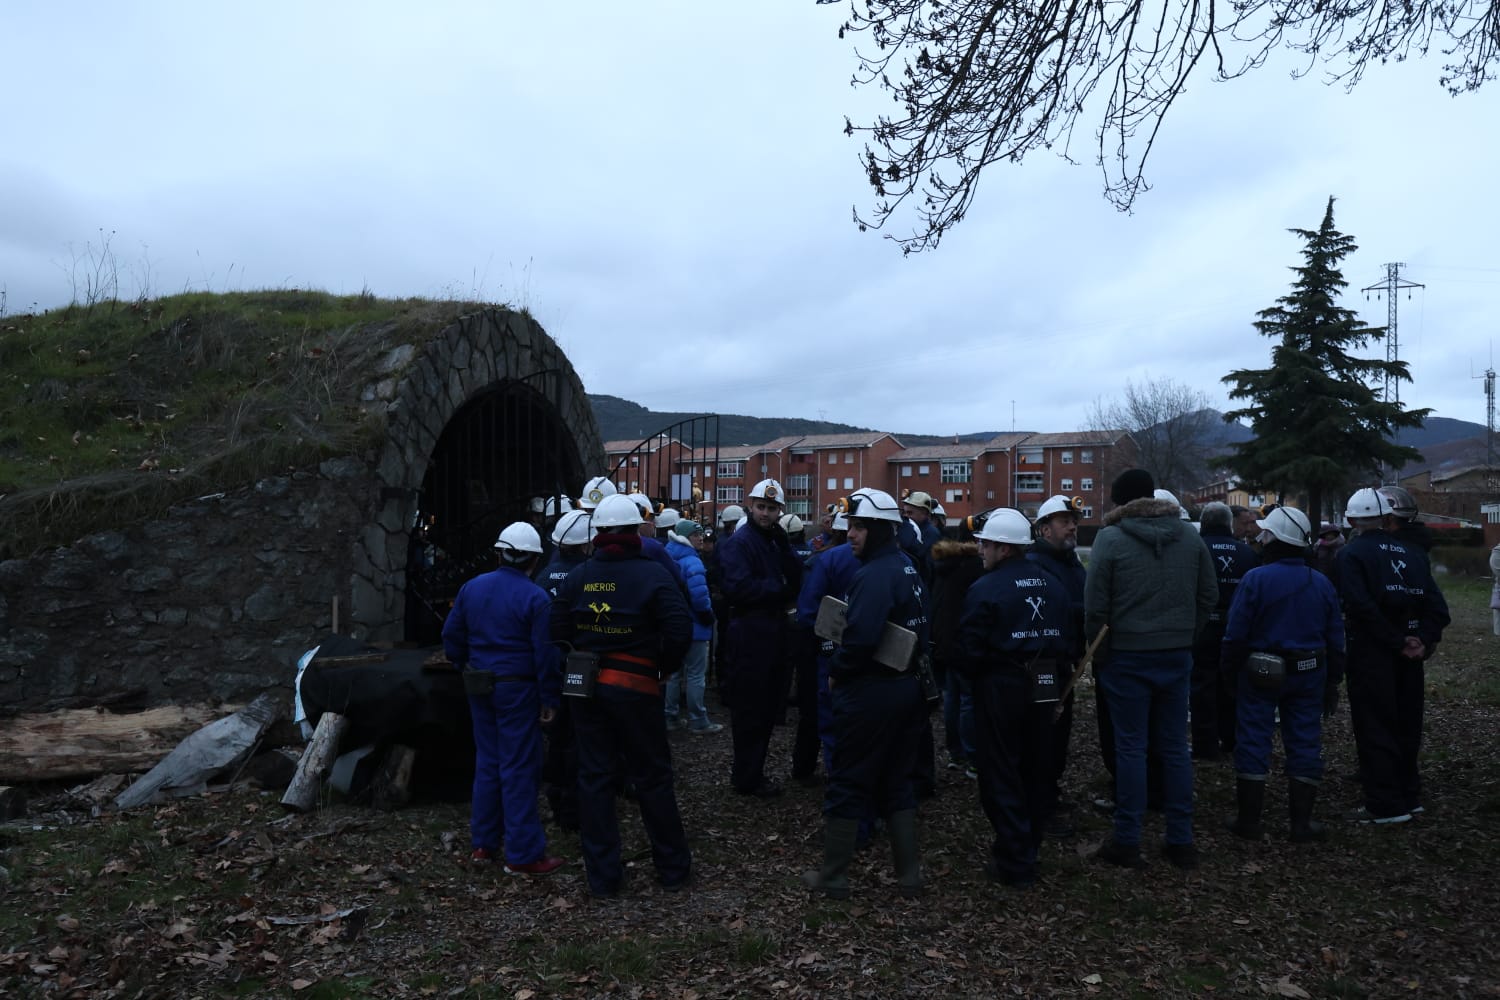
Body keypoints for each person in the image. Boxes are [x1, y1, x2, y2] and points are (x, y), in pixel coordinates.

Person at [549, 493, 694, 897]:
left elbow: (556, 628)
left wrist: (577, 657)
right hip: (637, 687)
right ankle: (672, 868)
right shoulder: (653, 575)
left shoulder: (579, 576)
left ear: (597, 534)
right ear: (636, 530)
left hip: (587, 691)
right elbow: (680, 627)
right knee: (652, 777)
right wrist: (663, 667)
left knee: (594, 778)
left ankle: (604, 879)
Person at [1084, 468, 1217, 869]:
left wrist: (1100, 654)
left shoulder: (1109, 539)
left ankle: (1128, 839)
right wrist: (1185, 634)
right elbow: (1208, 594)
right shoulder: (1190, 537)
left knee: (1131, 748)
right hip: (1175, 652)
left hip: (1127, 655)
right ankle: (1180, 839)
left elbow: (1095, 607)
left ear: (1120, 502)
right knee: (1175, 747)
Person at [803, 488, 929, 899]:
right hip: (905, 689)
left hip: (871, 692)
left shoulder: (873, 575)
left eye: (858, 527)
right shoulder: (907, 565)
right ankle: (909, 875)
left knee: (848, 779)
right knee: (896, 781)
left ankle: (834, 876)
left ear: (878, 530)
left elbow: (858, 639)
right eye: (850, 526)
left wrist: (838, 673)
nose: (850, 534)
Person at [442, 522, 564, 874]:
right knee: (519, 768)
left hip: (480, 685)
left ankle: (483, 844)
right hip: (519, 689)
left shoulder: (472, 588)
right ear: (535, 560)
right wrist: (549, 698)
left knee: (488, 763)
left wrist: (465, 663)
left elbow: (452, 635)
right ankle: (523, 854)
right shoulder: (536, 598)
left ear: (499, 553)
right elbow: (545, 654)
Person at [1221, 506, 1346, 843]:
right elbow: (1336, 637)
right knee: (1305, 741)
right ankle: (1301, 824)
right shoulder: (1320, 583)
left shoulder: (1255, 579)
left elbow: (1235, 635)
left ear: (1275, 538)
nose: (1260, 537)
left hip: (1260, 672)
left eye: (1265, 532)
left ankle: (1249, 820)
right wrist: (1333, 680)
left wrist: (1229, 673)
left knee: (1253, 738)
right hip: (1309, 674)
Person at [961, 508, 1069, 887]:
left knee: (1000, 769)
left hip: (1002, 684)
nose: (981, 551)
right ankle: (1030, 844)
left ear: (1004, 549)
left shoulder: (985, 588)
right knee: (1037, 764)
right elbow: (1070, 635)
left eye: (986, 544)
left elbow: (969, 650)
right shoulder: (1052, 583)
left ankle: (1014, 858)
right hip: (1045, 680)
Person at [1337, 487, 1450, 824]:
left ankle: (1385, 804)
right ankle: (1409, 794)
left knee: (1375, 724)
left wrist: (1395, 640)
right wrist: (1420, 639)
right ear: (1386, 517)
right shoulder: (1414, 553)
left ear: (1351, 518)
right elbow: (1438, 609)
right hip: (1410, 655)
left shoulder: (1351, 555)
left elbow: (1360, 606)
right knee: (1407, 722)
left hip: (1373, 653)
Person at [718, 479, 804, 797]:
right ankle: (747, 776)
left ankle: (753, 771)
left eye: (771, 509)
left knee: (768, 704)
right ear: (750, 506)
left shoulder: (771, 540)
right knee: (751, 708)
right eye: (761, 507)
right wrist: (780, 590)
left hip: (771, 629)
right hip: (750, 631)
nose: (766, 514)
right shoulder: (739, 544)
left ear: (780, 511)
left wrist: (784, 547)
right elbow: (738, 588)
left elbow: (797, 572)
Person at [1026, 495, 1087, 834]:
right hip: (1044, 663)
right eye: (1066, 521)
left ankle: (1050, 790)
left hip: (1068, 659)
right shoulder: (1037, 564)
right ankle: (1040, 803)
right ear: (1045, 528)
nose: (1073, 526)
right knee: (1044, 733)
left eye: (1074, 520)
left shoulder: (1072, 562)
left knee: (1060, 732)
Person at [536, 507, 593, 831]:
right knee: (579, 740)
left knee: (557, 740)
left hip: (552, 668)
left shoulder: (545, 575)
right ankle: (574, 810)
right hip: (581, 668)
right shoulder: (587, 576)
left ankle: (556, 801)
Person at [795, 509, 859, 778]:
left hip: (827, 649)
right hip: (870, 653)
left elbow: (808, 610)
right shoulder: (894, 560)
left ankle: (816, 771)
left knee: (823, 714)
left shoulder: (825, 560)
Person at [1193, 502, 1257, 759]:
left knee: (1201, 685)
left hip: (1204, 625)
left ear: (1204, 522)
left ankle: (1205, 745)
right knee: (1233, 683)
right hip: (1237, 626)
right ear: (1228, 523)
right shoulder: (1247, 553)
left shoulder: (1196, 549)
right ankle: (1232, 739)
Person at [930, 520, 983, 777]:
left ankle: (955, 754)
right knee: (968, 700)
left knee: (951, 698)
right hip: (964, 641)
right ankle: (972, 757)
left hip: (943, 639)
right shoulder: (974, 566)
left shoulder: (946, 563)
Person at [664, 520, 722, 734]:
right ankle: (698, 719)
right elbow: (699, 598)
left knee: (673, 673)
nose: (701, 538)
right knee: (696, 674)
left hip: (673, 625)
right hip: (694, 625)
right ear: (686, 537)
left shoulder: (667, 556)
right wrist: (708, 615)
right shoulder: (692, 561)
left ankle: (670, 716)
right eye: (696, 535)